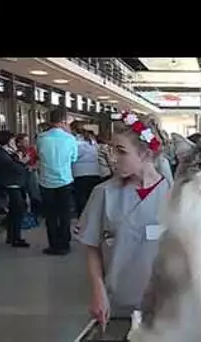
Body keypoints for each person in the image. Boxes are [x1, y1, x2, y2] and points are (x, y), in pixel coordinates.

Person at [76, 112, 172, 324]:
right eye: (111, 150)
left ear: (146, 154)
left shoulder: (173, 195)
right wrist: (97, 290)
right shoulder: (103, 193)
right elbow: (92, 246)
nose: (112, 158)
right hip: (116, 304)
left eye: (121, 152)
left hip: (165, 306)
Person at [37, 108, 78, 255]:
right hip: (65, 180)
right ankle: (65, 244)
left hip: (46, 182)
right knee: (64, 214)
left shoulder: (41, 138)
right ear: (63, 121)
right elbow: (74, 158)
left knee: (51, 215)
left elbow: (39, 156)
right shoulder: (70, 139)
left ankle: (53, 245)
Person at [0, 131, 30, 247]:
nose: (14, 142)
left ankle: (12, 236)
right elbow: (12, 167)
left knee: (14, 211)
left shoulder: (10, 152)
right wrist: (22, 162)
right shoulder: (2, 154)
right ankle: (16, 237)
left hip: (16, 184)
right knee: (17, 211)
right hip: (11, 185)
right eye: (12, 140)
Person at [70, 123, 102, 218]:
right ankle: (92, 216)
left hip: (79, 173)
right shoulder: (93, 142)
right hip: (95, 172)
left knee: (80, 197)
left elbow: (73, 156)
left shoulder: (75, 142)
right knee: (91, 197)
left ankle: (82, 217)